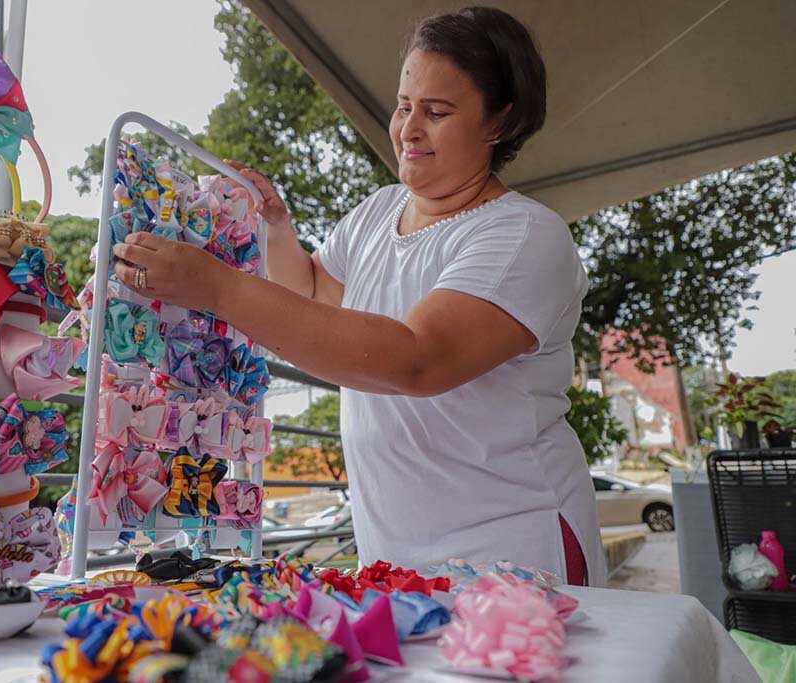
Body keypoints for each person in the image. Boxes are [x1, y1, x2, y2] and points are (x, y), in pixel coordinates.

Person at [112, 6, 603, 585]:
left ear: (499, 121)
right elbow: (314, 296)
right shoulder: (377, 211)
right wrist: (276, 229)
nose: (409, 129)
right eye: (404, 106)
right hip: (393, 548)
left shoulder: (525, 234)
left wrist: (216, 288)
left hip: (513, 544)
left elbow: (418, 358)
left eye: (437, 112)